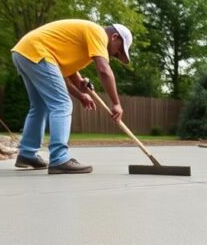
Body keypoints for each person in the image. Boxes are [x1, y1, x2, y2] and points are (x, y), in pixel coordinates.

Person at [10, 19, 132, 174]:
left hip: (24, 52)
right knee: (62, 105)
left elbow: (63, 75)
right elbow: (104, 70)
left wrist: (81, 93)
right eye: (118, 51)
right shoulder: (98, 33)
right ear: (115, 37)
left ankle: (27, 154)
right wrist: (116, 103)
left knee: (40, 107)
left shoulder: (82, 43)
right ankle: (59, 159)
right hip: (37, 53)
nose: (115, 56)